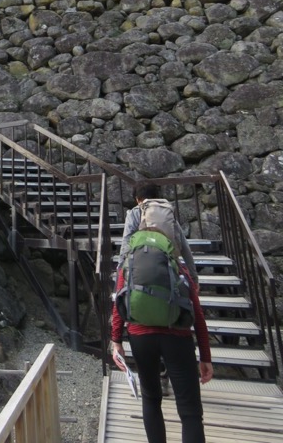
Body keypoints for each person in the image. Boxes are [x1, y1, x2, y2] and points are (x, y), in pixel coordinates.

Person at [111, 256, 213, 443]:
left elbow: (118, 303)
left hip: (141, 338)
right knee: (190, 411)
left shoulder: (129, 265)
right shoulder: (176, 266)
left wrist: (116, 341)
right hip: (177, 338)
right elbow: (197, 313)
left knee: (150, 398)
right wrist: (205, 356)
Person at [118, 181, 199, 288]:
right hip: (169, 264)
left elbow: (125, 245)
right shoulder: (167, 211)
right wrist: (194, 278)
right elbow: (184, 246)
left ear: (137, 199)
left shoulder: (134, 213)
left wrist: (120, 269)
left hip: (141, 267)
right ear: (156, 196)